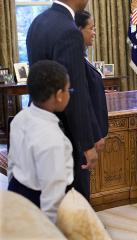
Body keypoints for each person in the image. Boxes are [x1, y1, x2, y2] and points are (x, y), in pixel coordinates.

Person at [26, 0, 99, 200]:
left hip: (39, 127)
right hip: (64, 134)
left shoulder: (37, 22)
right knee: (73, 203)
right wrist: (87, 143)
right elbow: (74, 93)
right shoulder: (69, 30)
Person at [8, 60, 74, 223]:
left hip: (17, 190)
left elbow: (12, 163)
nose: (69, 94)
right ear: (59, 96)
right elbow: (53, 193)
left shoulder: (20, 118)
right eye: (68, 90)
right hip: (39, 201)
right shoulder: (52, 138)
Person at [75, 10, 108, 153]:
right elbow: (82, 100)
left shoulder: (81, 56)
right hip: (86, 136)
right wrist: (93, 135)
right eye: (91, 28)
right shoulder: (75, 60)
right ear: (78, 30)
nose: (94, 33)